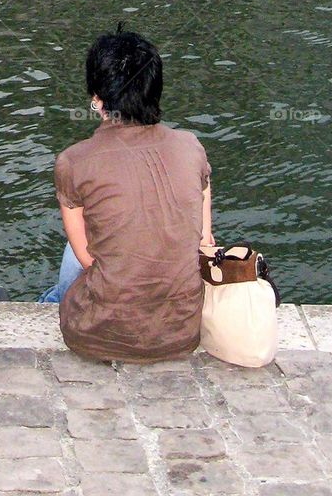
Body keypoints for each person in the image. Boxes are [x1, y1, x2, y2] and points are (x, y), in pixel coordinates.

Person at [40, 26, 214, 362]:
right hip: (181, 334)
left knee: (80, 241)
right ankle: (49, 299)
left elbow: (87, 257)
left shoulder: (73, 161)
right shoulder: (191, 148)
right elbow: (205, 241)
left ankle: (49, 301)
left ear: (97, 100)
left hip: (97, 336)